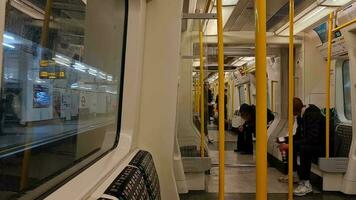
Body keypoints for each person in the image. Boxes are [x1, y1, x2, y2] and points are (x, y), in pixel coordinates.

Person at [278, 97, 325, 196]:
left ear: (294, 109)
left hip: (322, 146)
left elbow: (313, 138)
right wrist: (284, 139)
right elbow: (299, 135)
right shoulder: (301, 116)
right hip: (313, 143)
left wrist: (289, 145)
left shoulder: (312, 115)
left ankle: (307, 184)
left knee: (303, 149)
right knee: (291, 145)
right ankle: (294, 173)